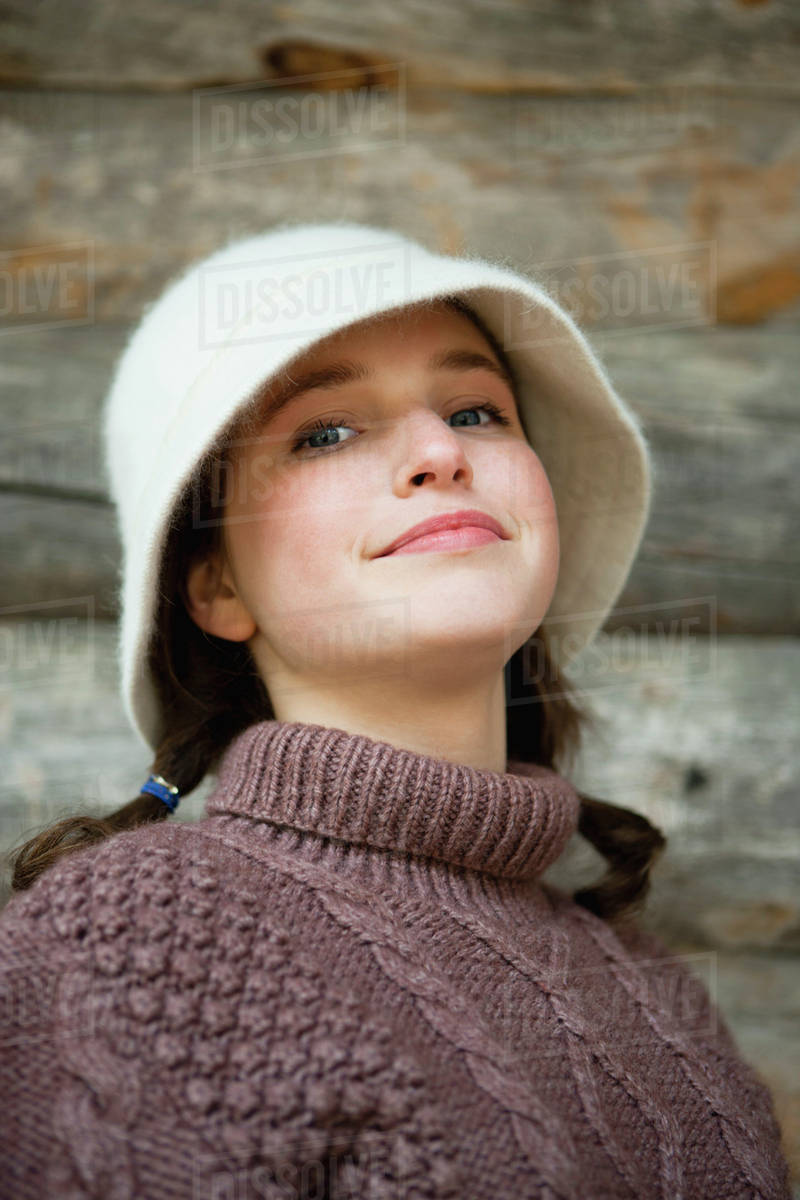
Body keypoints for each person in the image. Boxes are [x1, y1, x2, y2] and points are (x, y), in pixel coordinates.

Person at [0, 222, 791, 1199]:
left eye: (476, 411)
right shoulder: (136, 937)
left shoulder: (656, 992)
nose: (439, 451)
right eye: (325, 432)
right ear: (217, 586)